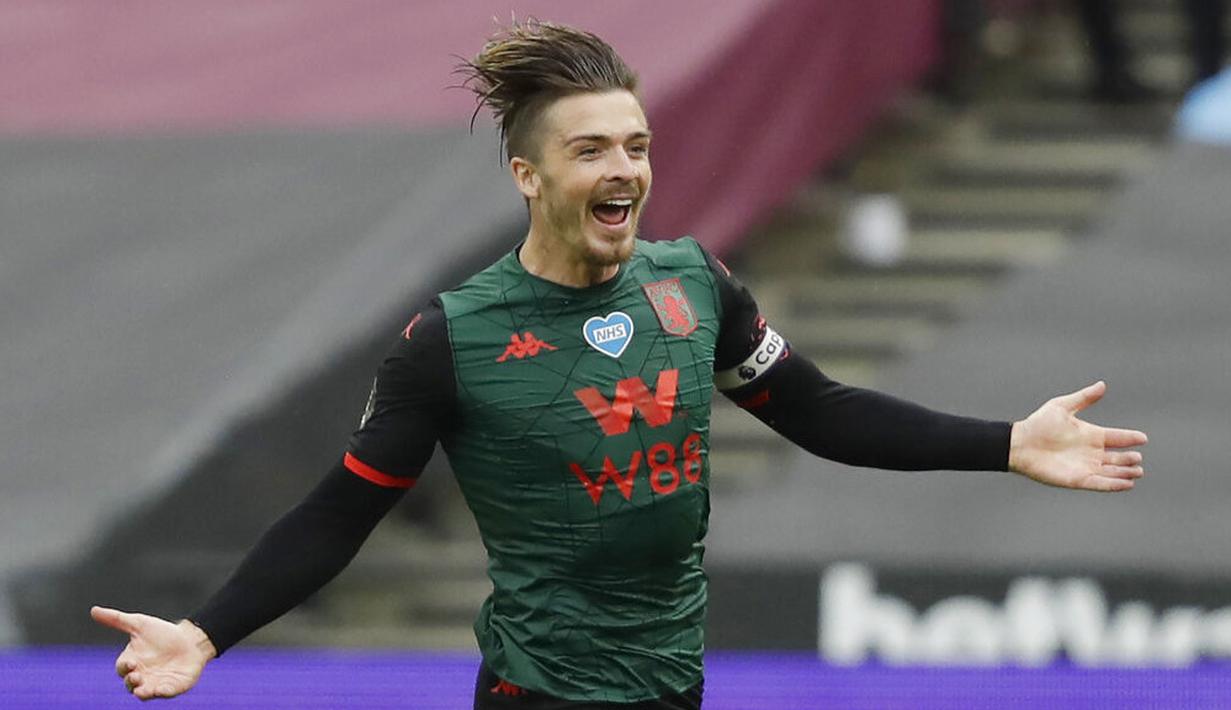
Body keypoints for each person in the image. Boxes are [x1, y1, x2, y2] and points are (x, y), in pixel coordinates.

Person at [90, 20, 1149, 709]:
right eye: (592, 148)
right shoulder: (450, 339)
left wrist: (1008, 441)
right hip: (540, 689)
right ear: (528, 173)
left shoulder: (693, 285)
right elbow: (340, 509)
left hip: (671, 681)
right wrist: (206, 630)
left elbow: (818, 410)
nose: (625, 169)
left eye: (636, 145)